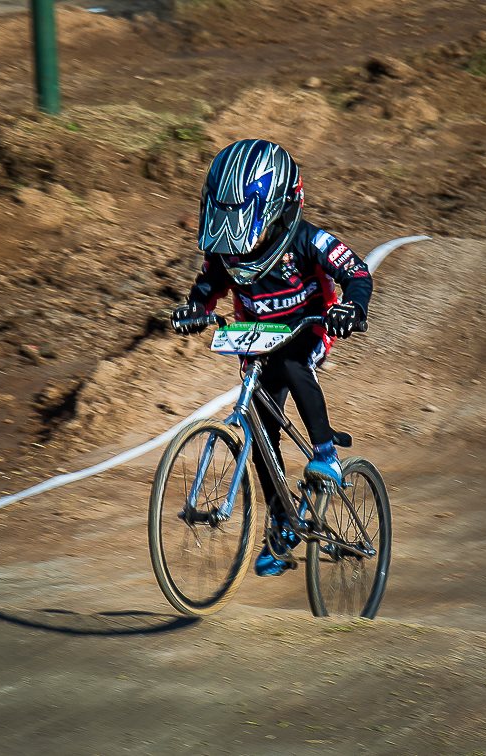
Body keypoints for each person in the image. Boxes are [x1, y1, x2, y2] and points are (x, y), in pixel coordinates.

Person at [170, 138, 373, 576]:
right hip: (256, 337)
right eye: (224, 218)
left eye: (243, 219)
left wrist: (351, 308)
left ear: (280, 207)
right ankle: (281, 521)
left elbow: (355, 271)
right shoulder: (226, 250)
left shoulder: (306, 239)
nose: (233, 236)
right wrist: (196, 311)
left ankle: (325, 454)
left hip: (308, 326)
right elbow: (208, 287)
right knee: (259, 431)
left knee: (293, 365)